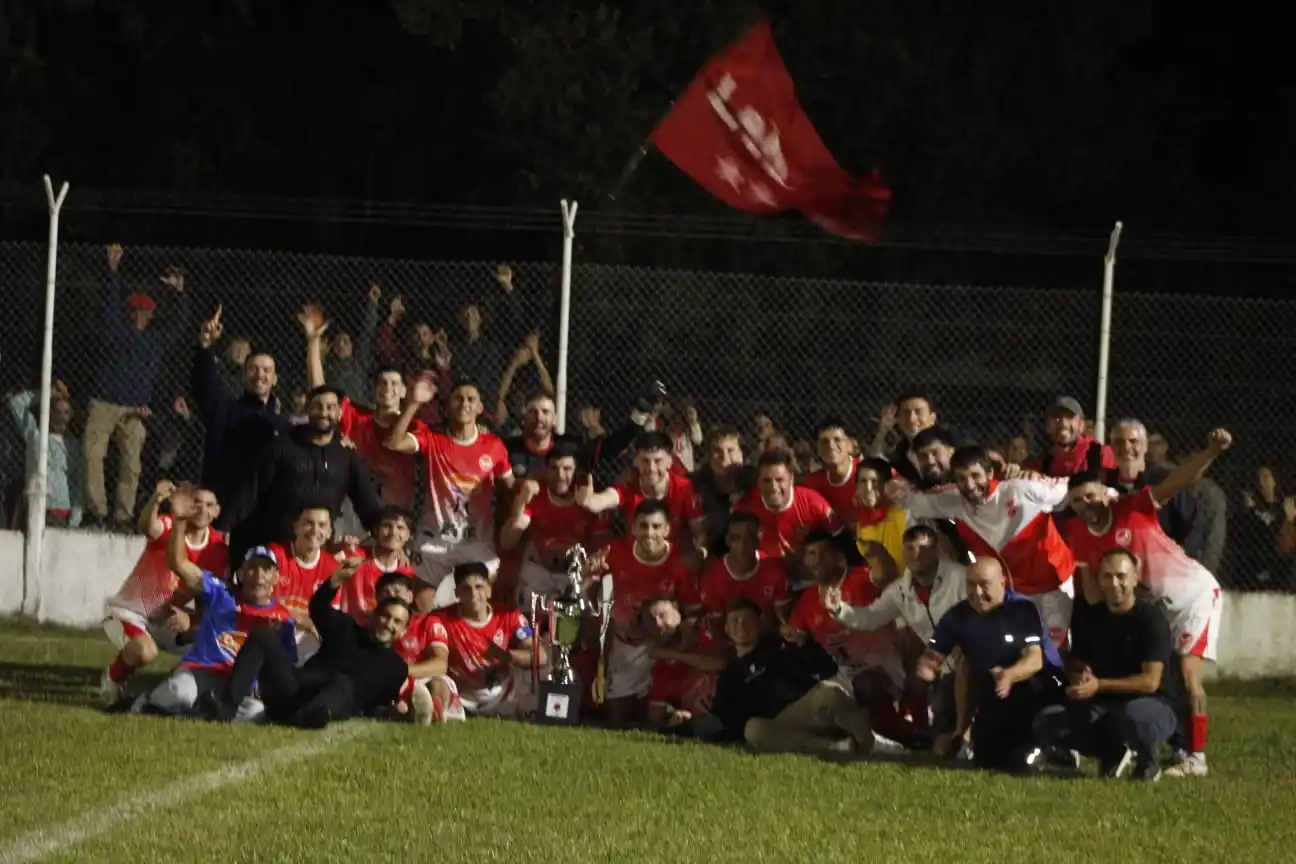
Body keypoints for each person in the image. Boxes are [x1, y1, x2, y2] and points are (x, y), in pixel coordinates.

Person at [1065, 428, 1232, 778]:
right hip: (1155, 609)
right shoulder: (1080, 537)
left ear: (1105, 495)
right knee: (1160, 675)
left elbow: (1178, 480)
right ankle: (1158, 743)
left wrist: (1211, 451)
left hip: (1192, 595)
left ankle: (1195, 757)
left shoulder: (1131, 507)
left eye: (1092, 495)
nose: (1087, 504)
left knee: (1188, 675)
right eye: (1079, 500)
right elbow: (1094, 593)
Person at [140, 486, 294, 719]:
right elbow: (177, 564)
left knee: (256, 715)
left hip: (238, 686)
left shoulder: (283, 617)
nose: (259, 575)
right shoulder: (221, 592)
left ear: (275, 577)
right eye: (252, 568)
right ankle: (142, 703)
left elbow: (285, 667)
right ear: (241, 574)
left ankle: (193, 714)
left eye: (266, 569)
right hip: (201, 672)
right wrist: (180, 520)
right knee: (180, 694)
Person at [210, 556, 412, 729]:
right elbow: (317, 607)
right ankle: (225, 708)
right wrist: (334, 581)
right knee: (263, 636)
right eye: (386, 617)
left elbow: (375, 707)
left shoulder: (396, 667)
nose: (389, 624)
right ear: (375, 615)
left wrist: (394, 711)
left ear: (403, 631)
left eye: (397, 622)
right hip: (294, 691)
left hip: (326, 707)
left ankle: (306, 718)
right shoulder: (346, 628)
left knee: (343, 683)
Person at [1032, 548, 1178, 781]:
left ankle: (1148, 762)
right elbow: (1077, 662)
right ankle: (1111, 752)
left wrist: (1098, 685)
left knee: (1136, 717)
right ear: (1099, 579)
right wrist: (1077, 676)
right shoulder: (1092, 618)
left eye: (1121, 576)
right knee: (1047, 722)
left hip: (1151, 703)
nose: (1114, 583)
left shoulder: (1151, 620)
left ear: (1134, 578)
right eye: (1107, 576)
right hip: (1102, 704)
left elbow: (1149, 682)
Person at [915, 558, 1065, 772]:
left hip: (1039, 684)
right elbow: (934, 655)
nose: (976, 592)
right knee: (985, 758)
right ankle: (964, 735)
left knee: (1020, 761)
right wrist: (928, 666)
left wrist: (1010, 675)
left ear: (1002, 583)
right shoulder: (958, 615)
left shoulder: (1021, 609)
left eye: (984, 584)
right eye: (970, 584)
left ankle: (1052, 746)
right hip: (996, 688)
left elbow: (1035, 660)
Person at [384, 374, 515, 612]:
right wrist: (413, 403)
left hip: (477, 543)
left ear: (480, 407)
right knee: (424, 609)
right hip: (436, 541)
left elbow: (510, 489)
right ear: (448, 405)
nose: (464, 404)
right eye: (458, 399)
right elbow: (394, 443)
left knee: (480, 606)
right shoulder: (434, 439)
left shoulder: (494, 446)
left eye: (470, 399)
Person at [100, 479, 227, 705]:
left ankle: (185, 688)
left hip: (165, 621)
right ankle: (113, 676)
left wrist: (191, 619)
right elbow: (146, 527)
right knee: (145, 652)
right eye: (197, 502)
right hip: (126, 613)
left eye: (209, 505)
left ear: (217, 512)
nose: (202, 509)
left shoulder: (217, 549)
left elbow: (208, 602)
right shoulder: (170, 525)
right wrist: (156, 500)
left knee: (213, 639)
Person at [230, 384, 382, 567]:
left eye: (330, 407)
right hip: (277, 546)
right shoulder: (282, 446)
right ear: (308, 409)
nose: (324, 412)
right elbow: (251, 490)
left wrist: (383, 535)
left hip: (319, 549)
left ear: (340, 413)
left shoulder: (346, 455)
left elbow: (366, 502)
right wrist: (226, 526)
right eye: (318, 406)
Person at [709, 599, 875, 756]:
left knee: (829, 693)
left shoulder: (781, 645)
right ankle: (836, 747)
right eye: (735, 620)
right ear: (727, 629)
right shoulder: (730, 675)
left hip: (808, 708)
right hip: (779, 726)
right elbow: (726, 720)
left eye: (748, 620)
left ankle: (870, 742)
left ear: (759, 623)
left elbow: (828, 669)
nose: (742, 626)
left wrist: (803, 643)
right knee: (753, 730)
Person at [432, 562, 542, 718]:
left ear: (489, 590)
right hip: (462, 694)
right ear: (457, 593)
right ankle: (441, 714)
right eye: (465, 588)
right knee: (436, 679)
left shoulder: (511, 615)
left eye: (479, 587)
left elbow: (541, 655)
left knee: (542, 671)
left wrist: (508, 656)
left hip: (505, 694)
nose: (473, 594)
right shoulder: (440, 619)